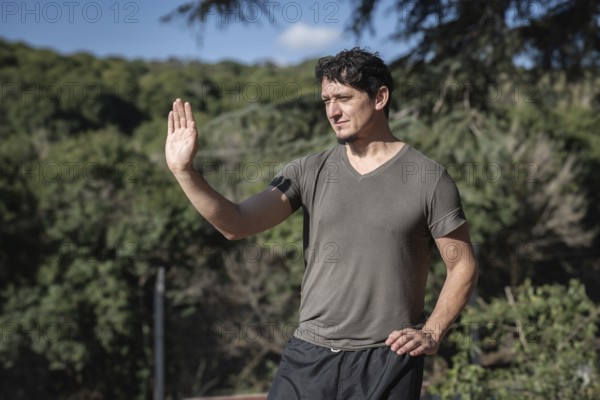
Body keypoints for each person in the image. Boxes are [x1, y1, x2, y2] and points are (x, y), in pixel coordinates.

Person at [165, 47, 478, 399]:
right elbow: (236, 223)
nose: (332, 110)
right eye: (327, 99)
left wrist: (433, 332)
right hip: (309, 355)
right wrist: (185, 172)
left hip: (388, 358)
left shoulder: (427, 178)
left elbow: (462, 264)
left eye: (343, 97)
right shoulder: (306, 171)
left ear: (380, 97)